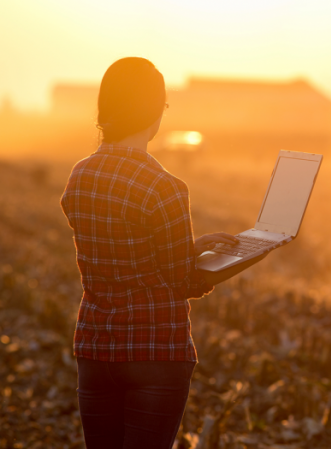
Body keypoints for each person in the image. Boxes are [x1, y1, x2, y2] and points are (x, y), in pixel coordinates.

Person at [60, 57, 265, 449]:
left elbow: (121, 247)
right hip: (155, 353)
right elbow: (183, 281)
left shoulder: (79, 176)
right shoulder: (165, 187)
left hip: (95, 349)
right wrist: (252, 254)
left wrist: (190, 248)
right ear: (155, 111)